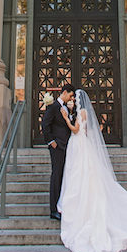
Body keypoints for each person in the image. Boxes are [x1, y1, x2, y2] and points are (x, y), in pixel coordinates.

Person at [58, 89, 127, 252]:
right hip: (81, 146)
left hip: (79, 144)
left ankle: (81, 207)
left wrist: (66, 119)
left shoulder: (81, 113)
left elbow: (76, 130)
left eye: (74, 98)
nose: (73, 101)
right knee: (82, 175)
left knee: (81, 174)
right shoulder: (83, 112)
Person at [40, 83, 76, 220]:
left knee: (62, 176)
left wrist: (71, 113)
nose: (71, 99)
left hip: (66, 146)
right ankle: (53, 209)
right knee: (56, 176)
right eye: (70, 95)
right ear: (65, 92)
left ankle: (61, 205)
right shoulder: (53, 107)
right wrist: (51, 142)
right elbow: (45, 125)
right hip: (58, 147)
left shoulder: (66, 108)